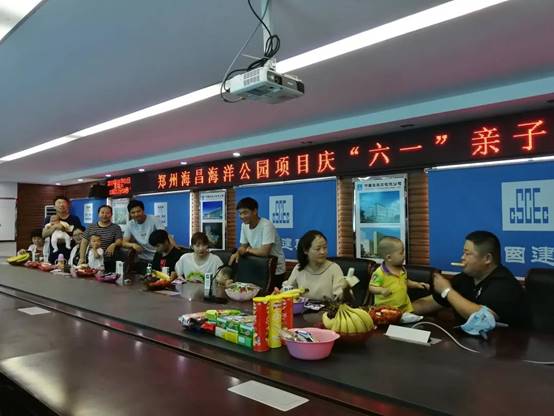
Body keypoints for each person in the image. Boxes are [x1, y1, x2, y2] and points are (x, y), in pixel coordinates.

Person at [412, 231, 527, 326]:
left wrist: (447, 291)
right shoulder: (464, 278)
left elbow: (480, 318)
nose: (462, 257)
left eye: (467, 254)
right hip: (466, 342)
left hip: (504, 344)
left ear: (487, 258)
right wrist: (403, 311)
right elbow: (428, 303)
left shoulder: (505, 285)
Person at [228, 197, 286, 283]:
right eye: (240, 213)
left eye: (245, 213)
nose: (242, 216)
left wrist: (247, 250)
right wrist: (237, 253)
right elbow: (243, 246)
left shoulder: (266, 225)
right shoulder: (244, 225)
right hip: (259, 267)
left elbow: (264, 252)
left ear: (255, 211)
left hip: (275, 269)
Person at [368, 236, 429, 313]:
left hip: (404, 307)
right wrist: (381, 290)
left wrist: (417, 284)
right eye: (401, 253)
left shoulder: (402, 269)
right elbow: (371, 287)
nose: (404, 255)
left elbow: (405, 281)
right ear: (389, 258)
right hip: (386, 310)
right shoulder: (380, 272)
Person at [282, 230, 347, 301]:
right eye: (318, 249)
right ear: (306, 250)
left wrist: (346, 290)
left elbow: (340, 298)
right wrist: (280, 293)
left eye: (325, 248)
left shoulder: (334, 268)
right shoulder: (299, 268)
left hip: (328, 307)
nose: (322, 252)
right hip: (303, 307)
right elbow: (288, 292)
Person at [122, 200, 166, 274]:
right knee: (147, 275)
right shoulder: (130, 224)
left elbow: (165, 235)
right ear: (130, 214)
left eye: (138, 211)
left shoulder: (153, 219)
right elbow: (124, 242)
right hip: (144, 260)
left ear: (143, 210)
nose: (136, 214)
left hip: (159, 257)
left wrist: (175, 249)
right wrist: (133, 245)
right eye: (133, 212)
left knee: (159, 276)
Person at [79, 205, 122, 272]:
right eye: (102, 212)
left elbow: (119, 241)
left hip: (108, 261)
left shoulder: (116, 227)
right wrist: (82, 258)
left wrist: (114, 244)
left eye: (107, 213)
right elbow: (84, 242)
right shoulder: (91, 227)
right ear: (98, 214)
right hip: (91, 260)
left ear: (111, 214)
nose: (105, 215)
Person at [42, 196, 83, 264]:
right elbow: (44, 234)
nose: (61, 205)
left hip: (71, 254)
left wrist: (65, 237)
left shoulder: (75, 219)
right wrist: (55, 227)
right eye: (59, 203)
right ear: (54, 207)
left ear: (68, 205)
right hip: (54, 254)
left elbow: (79, 236)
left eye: (64, 202)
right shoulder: (49, 218)